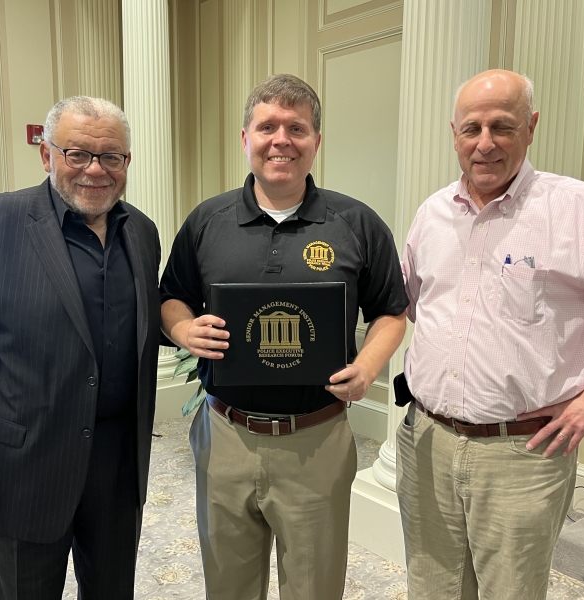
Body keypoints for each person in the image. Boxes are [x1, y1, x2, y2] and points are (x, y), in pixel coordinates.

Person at [396, 69, 584, 600]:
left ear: (530, 128)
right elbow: (412, 306)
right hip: (426, 442)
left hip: (522, 454)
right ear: (454, 134)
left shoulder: (581, 212)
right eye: (471, 129)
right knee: (431, 587)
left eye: (501, 127)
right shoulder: (431, 215)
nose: (484, 144)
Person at [160, 74, 408, 600]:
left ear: (316, 140)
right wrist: (184, 328)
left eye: (297, 128)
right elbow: (170, 298)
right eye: (267, 126)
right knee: (227, 585)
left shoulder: (356, 223)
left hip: (316, 439)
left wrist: (367, 367)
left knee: (315, 587)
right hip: (226, 433)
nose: (281, 140)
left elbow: (391, 311)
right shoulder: (207, 221)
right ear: (245, 137)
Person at [0, 96, 162, 600]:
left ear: (126, 163)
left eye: (110, 157)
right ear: (47, 153)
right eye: (78, 154)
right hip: (25, 470)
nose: (95, 170)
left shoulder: (142, 232)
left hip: (118, 467)